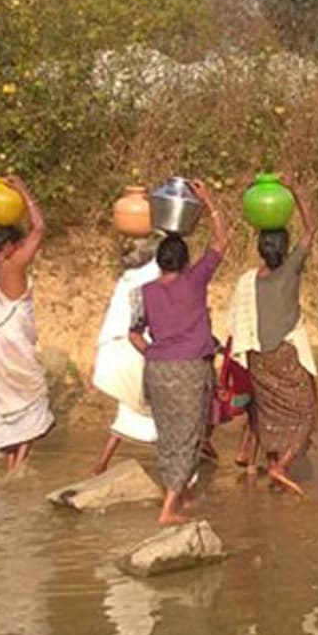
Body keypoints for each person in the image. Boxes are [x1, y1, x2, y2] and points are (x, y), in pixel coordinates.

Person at [129, 179, 227, 526]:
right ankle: (168, 509)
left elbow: (134, 334)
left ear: (159, 263)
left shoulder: (143, 291)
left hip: (157, 370)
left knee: (168, 435)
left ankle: (179, 496)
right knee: (189, 437)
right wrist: (209, 202)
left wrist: (155, 352)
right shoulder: (194, 280)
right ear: (185, 262)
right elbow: (221, 243)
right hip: (189, 369)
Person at [225, 173, 318, 495]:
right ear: (285, 247)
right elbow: (311, 230)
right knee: (306, 412)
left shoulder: (249, 279)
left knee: (269, 413)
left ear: (260, 248)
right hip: (285, 354)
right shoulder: (291, 269)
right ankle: (281, 467)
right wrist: (297, 190)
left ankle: (271, 466)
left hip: (258, 356)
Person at [0, 175, 53, 473]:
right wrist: (24, 191)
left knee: (8, 407)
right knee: (33, 401)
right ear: (7, 247)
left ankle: (10, 467)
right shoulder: (13, 265)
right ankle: (19, 469)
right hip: (13, 349)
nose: (20, 249)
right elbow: (39, 228)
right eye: (17, 245)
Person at [89, 237, 160, 476]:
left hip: (116, 349)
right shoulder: (150, 276)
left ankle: (101, 465)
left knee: (128, 410)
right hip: (136, 348)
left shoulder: (126, 280)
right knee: (163, 411)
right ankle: (182, 475)